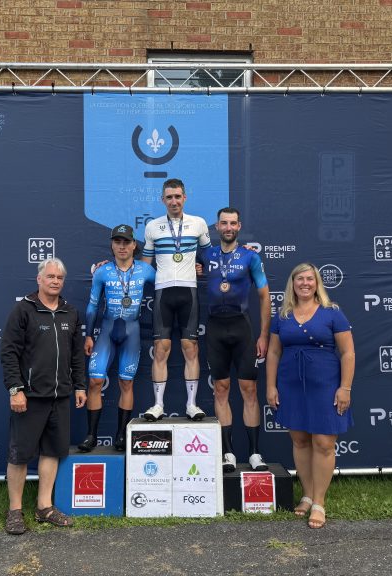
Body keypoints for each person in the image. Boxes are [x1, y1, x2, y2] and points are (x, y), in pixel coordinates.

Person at [0, 257, 87, 535]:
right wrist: (16, 389)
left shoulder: (70, 313)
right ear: (39, 279)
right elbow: (9, 352)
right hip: (30, 396)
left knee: (52, 452)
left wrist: (80, 386)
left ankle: (44, 507)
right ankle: (14, 510)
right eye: (50, 277)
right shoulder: (24, 310)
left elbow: (76, 355)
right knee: (20, 455)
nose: (55, 281)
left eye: (59, 278)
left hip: (60, 396)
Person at [266, 262, 355, 529]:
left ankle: (319, 502)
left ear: (317, 283)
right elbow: (273, 353)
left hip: (326, 385)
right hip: (291, 384)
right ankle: (306, 494)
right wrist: (271, 386)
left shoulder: (332, 313)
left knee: (324, 443)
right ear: (292, 284)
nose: (305, 283)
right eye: (299, 279)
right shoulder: (282, 315)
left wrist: (345, 387)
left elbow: (348, 353)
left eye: (310, 279)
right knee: (300, 441)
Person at [200, 207, 270, 472]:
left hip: (242, 328)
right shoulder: (206, 255)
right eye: (223, 223)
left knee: (249, 390)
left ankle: (254, 453)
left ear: (239, 226)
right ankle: (227, 453)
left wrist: (263, 335)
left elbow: (264, 297)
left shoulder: (250, 257)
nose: (228, 227)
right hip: (216, 328)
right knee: (221, 389)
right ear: (216, 227)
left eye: (233, 223)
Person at [78, 224, 155, 452]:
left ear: (134, 245)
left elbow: (168, 283)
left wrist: (196, 267)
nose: (122, 247)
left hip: (132, 331)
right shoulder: (102, 271)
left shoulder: (145, 270)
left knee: (126, 382)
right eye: (117, 242)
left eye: (126, 242)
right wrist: (89, 335)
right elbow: (92, 306)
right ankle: (91, 436)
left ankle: (121, 436)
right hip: (106, 332)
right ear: (112, 245)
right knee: (94, 381)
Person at [142, 178, 211, 421]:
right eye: (169, 197)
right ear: (163, 200)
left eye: (178, 196)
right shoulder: (152, 227)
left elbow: (210, 255)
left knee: (190, 347)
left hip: (188, 292)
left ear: (185, 198)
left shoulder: (198, 224)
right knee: (162, 348)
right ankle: (158, 405)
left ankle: (192, 405)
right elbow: (144, 266)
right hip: (162, 293)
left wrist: (201, 265)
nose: (174, 201)